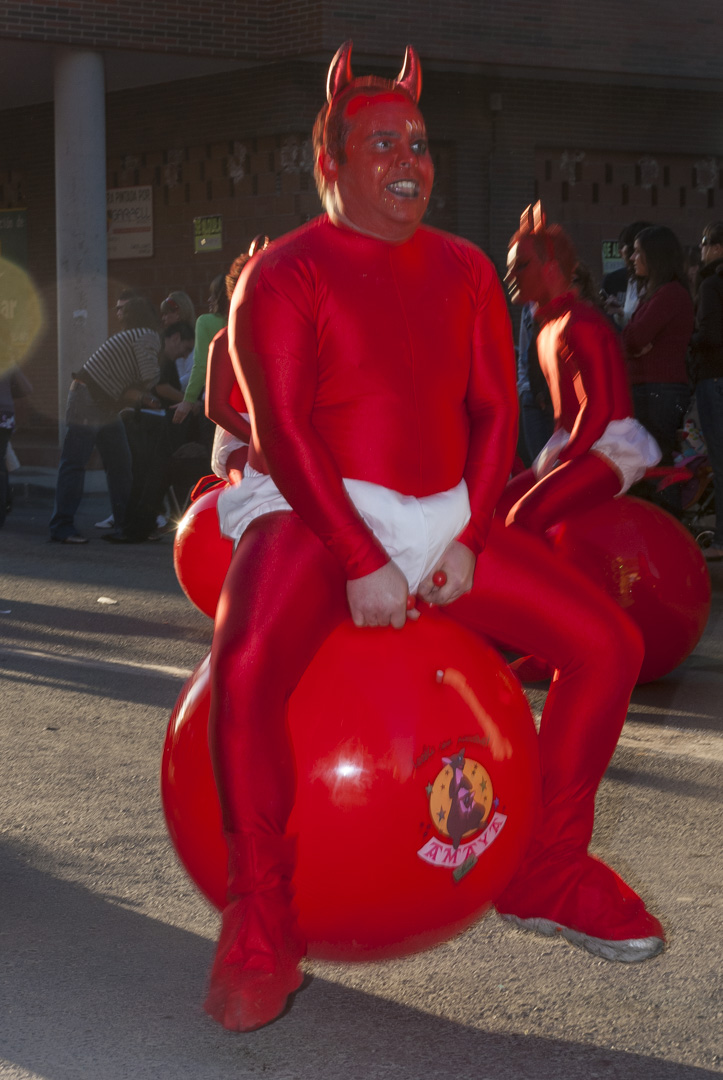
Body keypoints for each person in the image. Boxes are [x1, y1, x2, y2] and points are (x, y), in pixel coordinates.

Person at [205, 41, 663, 1035]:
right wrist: (360, 557)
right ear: (328, 161)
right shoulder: (280, 274)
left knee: (607, 644)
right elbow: (285, 431)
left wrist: (469, 532)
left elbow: (494, 413)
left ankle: (544, 868)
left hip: (443, 515)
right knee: (244, 669)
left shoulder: (462, 268)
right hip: (313, 510)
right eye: (381, 144)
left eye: (416, 142)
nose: (407, 160)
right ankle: (258, 915)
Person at [498, 204, 660, 535]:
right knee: (499, 510)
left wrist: (563, 460)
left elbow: (598, 409)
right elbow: (567, 418)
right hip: (580, 444)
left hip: (610, 448)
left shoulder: (580, 324)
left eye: (521, 266)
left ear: (551, 269)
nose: (510, 277)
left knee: (522, 519)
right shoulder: (549, 330)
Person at [49, 297, 161, 543]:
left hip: (98, 399)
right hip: (89, 398)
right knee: (78, 462)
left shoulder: (132, 336)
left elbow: (129, 381)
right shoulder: (148, 336)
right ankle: (61, 527)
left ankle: (127, 526)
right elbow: (150, 375)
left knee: (119, 464)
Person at [104, 321, 196, 543]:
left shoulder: (157, 355)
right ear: (175, 338)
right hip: (149, 424)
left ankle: (138, 526)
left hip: (145, 421)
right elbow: (161, 387)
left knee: (146, 477)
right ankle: (138, 527)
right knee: (149, 477)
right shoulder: (160, 357)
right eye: (185, 348)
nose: (184, 355)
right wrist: (189, 402)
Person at [622, 225, 694, 466]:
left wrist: (633, 344)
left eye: (638, 252)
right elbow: (630, 339)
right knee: (645, 464)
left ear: (654, 256)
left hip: (659, 391)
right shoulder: (655, 293)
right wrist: (633, 344)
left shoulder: (670, 294)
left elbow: (633, 338)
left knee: (653, 465)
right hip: (651, 388)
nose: (632, 258)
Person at [206, 238, 269, 483]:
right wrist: (257, 439)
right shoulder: (224, 340)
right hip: (241, 440)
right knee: (250, 491)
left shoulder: (288, 335)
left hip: (282, 435)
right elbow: (215, 407)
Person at [689, 221, 723, 561]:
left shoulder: (712, 283)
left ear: (717, 248)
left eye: (704, 243)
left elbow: (710, 334)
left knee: (720, 461)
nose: (701, 249)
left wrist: (689, 338)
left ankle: (721, 540)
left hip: (714, 377)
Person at [172, 275, 228, 426]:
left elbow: (202, 365)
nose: (209, 300)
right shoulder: (247, 319)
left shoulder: (205, 322)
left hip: (216, 402)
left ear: (221, 298)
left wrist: (188, 400)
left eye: (214, 295)